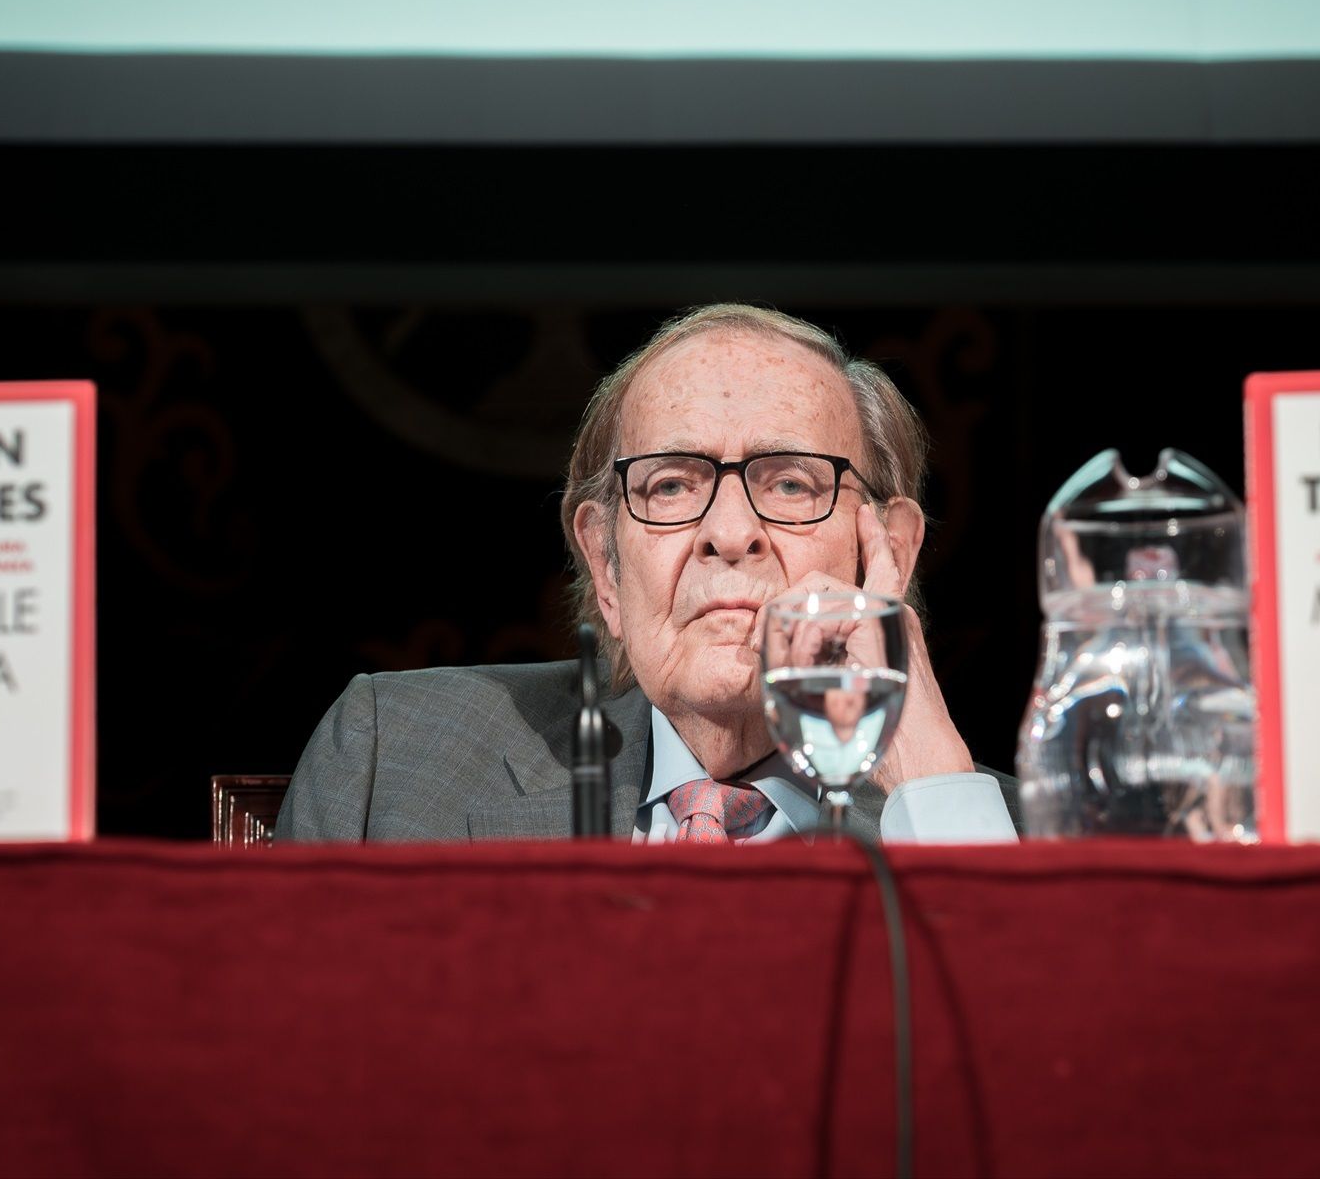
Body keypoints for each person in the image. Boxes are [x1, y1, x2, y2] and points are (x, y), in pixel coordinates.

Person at [276, 304, 1020, 843]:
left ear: (886, 551)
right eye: (671, 486)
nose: (729, 535)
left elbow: (1036, 1052)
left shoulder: (1004, 835)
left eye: (791, 483)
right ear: (604, 562)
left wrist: (929, 779)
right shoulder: (395, 759)